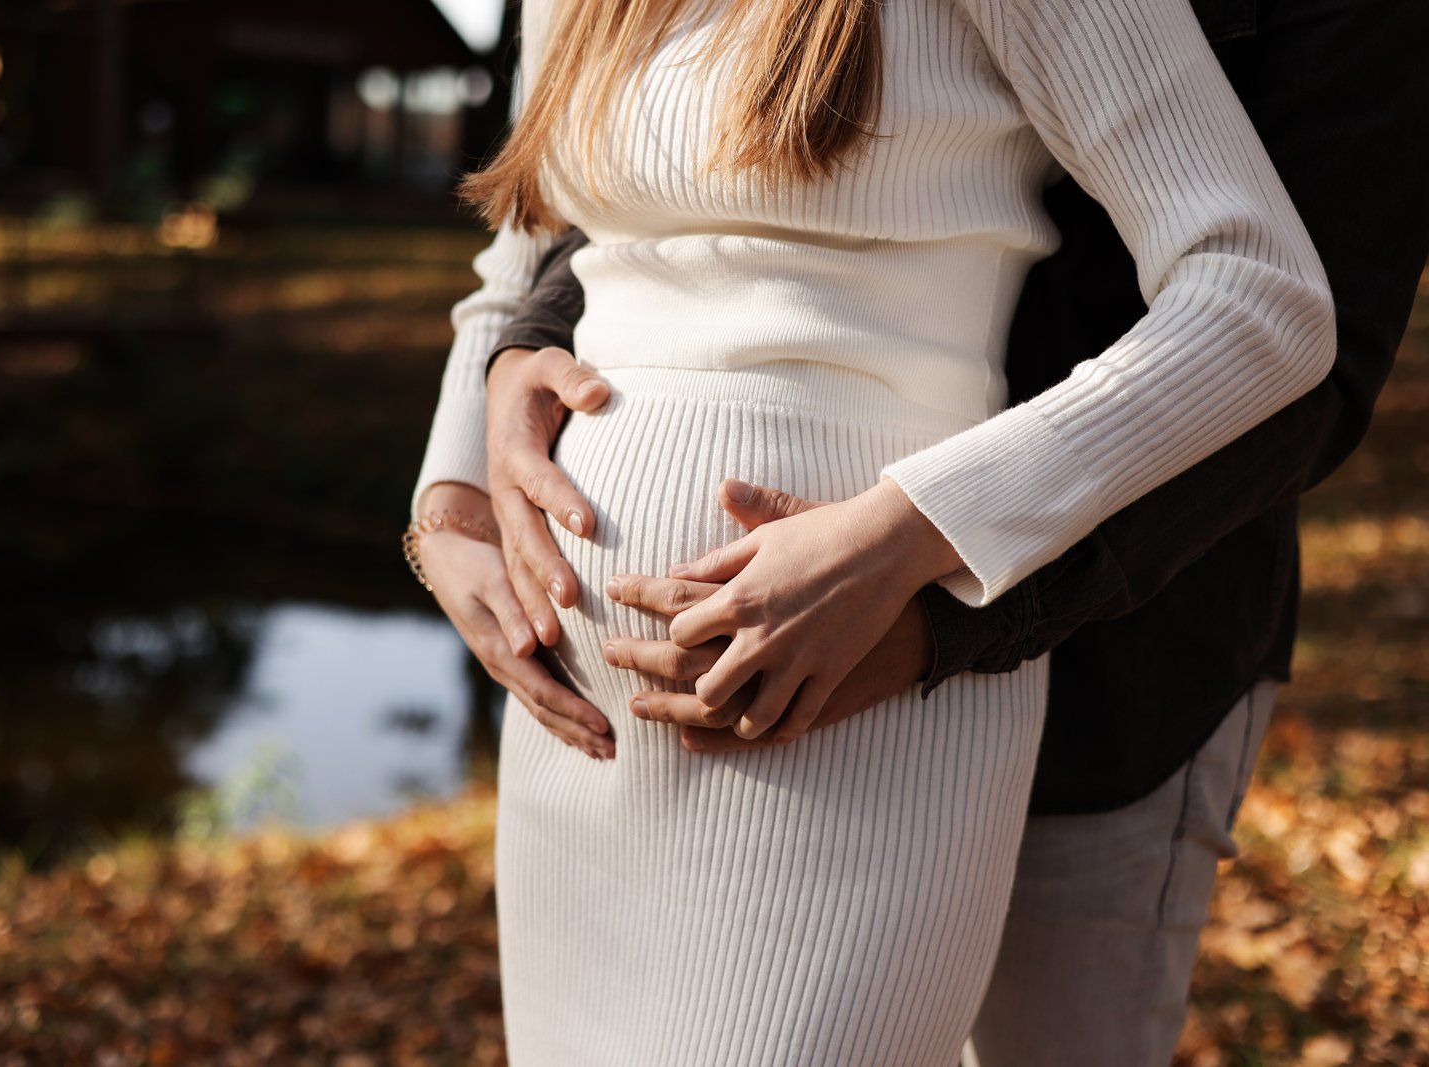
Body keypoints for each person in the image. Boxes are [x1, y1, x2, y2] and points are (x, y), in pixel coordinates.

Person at [466, 0, 1429, 1061]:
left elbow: (1291, 331)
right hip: (586, 718)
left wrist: (925, 563)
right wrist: (454, 497)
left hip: (1097, 653)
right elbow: (565, 233)